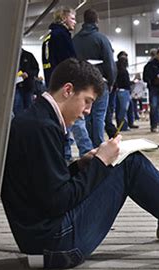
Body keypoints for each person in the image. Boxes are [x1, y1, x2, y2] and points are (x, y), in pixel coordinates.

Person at [1, 58, 159, 269]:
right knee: (130, 163)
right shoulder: (43, 128)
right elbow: (59, 200)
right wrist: (100, 162)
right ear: (67, 90)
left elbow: (44, 186)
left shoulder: (36, 119)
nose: (87, 111)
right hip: (57, 243)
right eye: (86, 101)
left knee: (126, 160)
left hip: (45, 236)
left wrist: (82, 164)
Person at [42, 6, 93, 160]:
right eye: (72, 18)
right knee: (77, 118)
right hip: (66, 85)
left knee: (61, 121)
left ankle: (64, 153)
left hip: (52, 84)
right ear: (63, 18)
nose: (75, 22)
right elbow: (69, 61)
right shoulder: (62, 35)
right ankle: (87, 152)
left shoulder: (48, 36)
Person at [73, 8, 117, 147]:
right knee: (99, 116)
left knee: (84, 115)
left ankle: (87, 148)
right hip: (99, 81)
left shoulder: (75, 40)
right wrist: (111, 81)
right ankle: (98, 146)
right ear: (97, 20)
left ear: (83, 21)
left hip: (81, 82)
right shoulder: (101, 39)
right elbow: (109, 62)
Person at [13, 49, 39, 116]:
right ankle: (19, 124)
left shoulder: (29, 55)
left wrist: (28, 74)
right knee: (17, 107)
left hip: (28, 87)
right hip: (16, 87)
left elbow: (36, 69)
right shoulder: (12, 56)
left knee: (29, 107)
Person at [114, 56, 131, 131]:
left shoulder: (115, 71)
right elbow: (127, 83)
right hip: (124, 91)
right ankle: (124, 126)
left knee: (118, 110)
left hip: (117, 91)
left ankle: (119, 126)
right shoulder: (125, 71)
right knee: (123, 111)